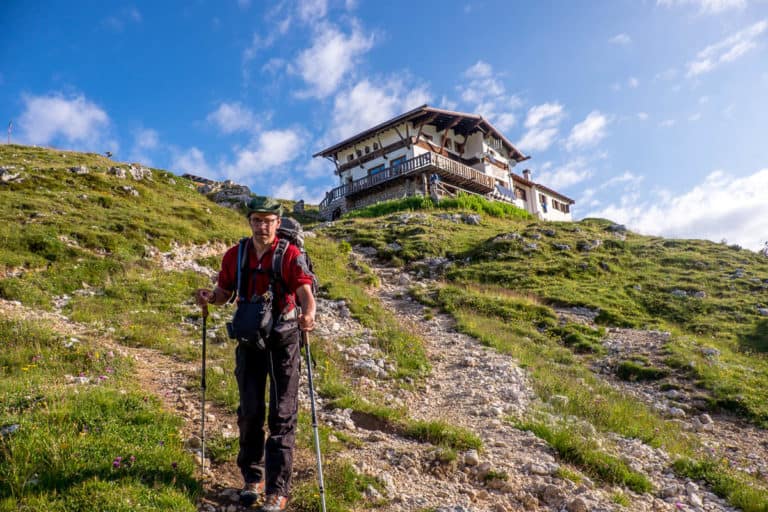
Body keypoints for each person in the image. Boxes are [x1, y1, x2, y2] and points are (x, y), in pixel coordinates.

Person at [196, 197, 316, 512]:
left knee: (282, 415)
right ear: (250, 222)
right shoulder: (235, 256)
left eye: (268, 221)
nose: (262, 226)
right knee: (249, 412)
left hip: (284, 340)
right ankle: (253, 479)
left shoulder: (289, 254)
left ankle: (277, 491)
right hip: (249, 341)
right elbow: (224, 294)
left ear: (278, 223)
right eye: (257, 220)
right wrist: (211, 297)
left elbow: (304, 291)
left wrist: (309, 314)